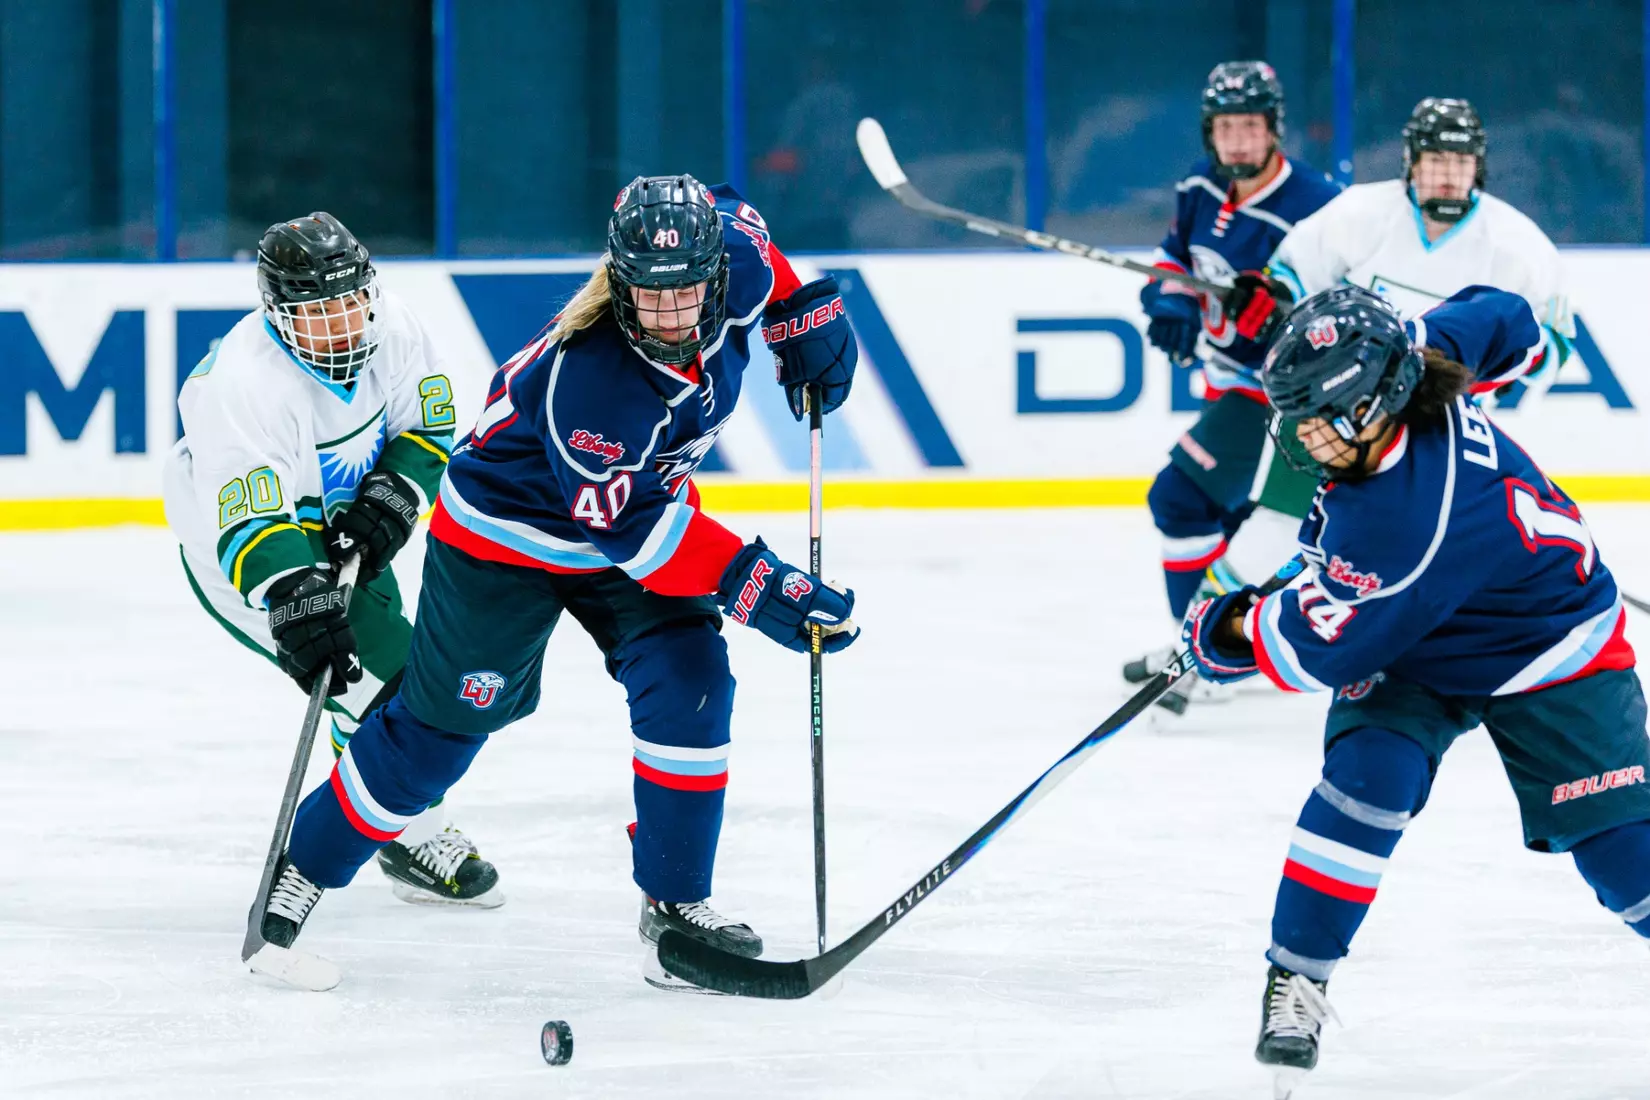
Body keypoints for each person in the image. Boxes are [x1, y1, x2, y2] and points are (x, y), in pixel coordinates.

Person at [251, 175, 861, 992]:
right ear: (618, 283)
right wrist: (759, 586)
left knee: (692, 680)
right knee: (440, 734)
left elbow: (757, 243)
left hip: (633, 520)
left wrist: (803, 315)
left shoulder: (734, 256)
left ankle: (676, 905)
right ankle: (308, 864)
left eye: (689, 294)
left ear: (716, 274)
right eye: (648, 297)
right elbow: (633, 532)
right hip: (507, 540)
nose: (672, 319)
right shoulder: (596, 382)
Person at [1178, 286, 1650, 1098]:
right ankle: (1299, 979)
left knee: (1623, 859)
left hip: (1545, 645)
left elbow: (1320, 646)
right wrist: (1447, 338)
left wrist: (1226, 636)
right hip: (1423, 637)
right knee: (1368, 782)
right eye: (1303, 415)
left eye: (1327, 417)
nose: (1309, 435)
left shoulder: (1401, 525)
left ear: (1381, 396)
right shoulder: (1422, 359)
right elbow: (1508, 313)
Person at [163, 212, 503, 908]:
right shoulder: (241, 385)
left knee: (408, 680)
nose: (343, 324)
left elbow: (428, 424)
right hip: (248, 553)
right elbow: (250, 518)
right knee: (390, 685)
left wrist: (392, 496)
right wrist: (293, 595)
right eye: (318, 312)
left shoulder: (398, 328)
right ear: (278, 314)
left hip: (345, 527)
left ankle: (389, 818)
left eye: (350, 301)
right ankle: (407, 832)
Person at [1217, 97, 1577, 636]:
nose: (1448, 176)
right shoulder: (1361, 213)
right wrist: (1268, 295)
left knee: (1410, 557)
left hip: (1439, 433)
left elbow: (1551, 344)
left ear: (1478, 167)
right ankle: (1204, 647)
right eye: (1436, 160)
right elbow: (1293, 273)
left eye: (1460, 163)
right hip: (1331, 418)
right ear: (1411, 161)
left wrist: (1497, 375)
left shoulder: (1519, 247)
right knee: (1270, 531)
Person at [1128, 60, 1340, 714]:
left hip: (1279, 396)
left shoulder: (1316, 206)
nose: (1239, 141)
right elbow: (1174, 256)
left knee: (1181, 500)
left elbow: (1337, 312)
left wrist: (1276, 317)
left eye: (1251, 126)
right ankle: (1230, 644)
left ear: (1274, 129)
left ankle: (1200, 654)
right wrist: (1172, 304)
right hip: (1224, 383)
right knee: (1227, 518)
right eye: (1227, 127)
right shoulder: (1199, 185)